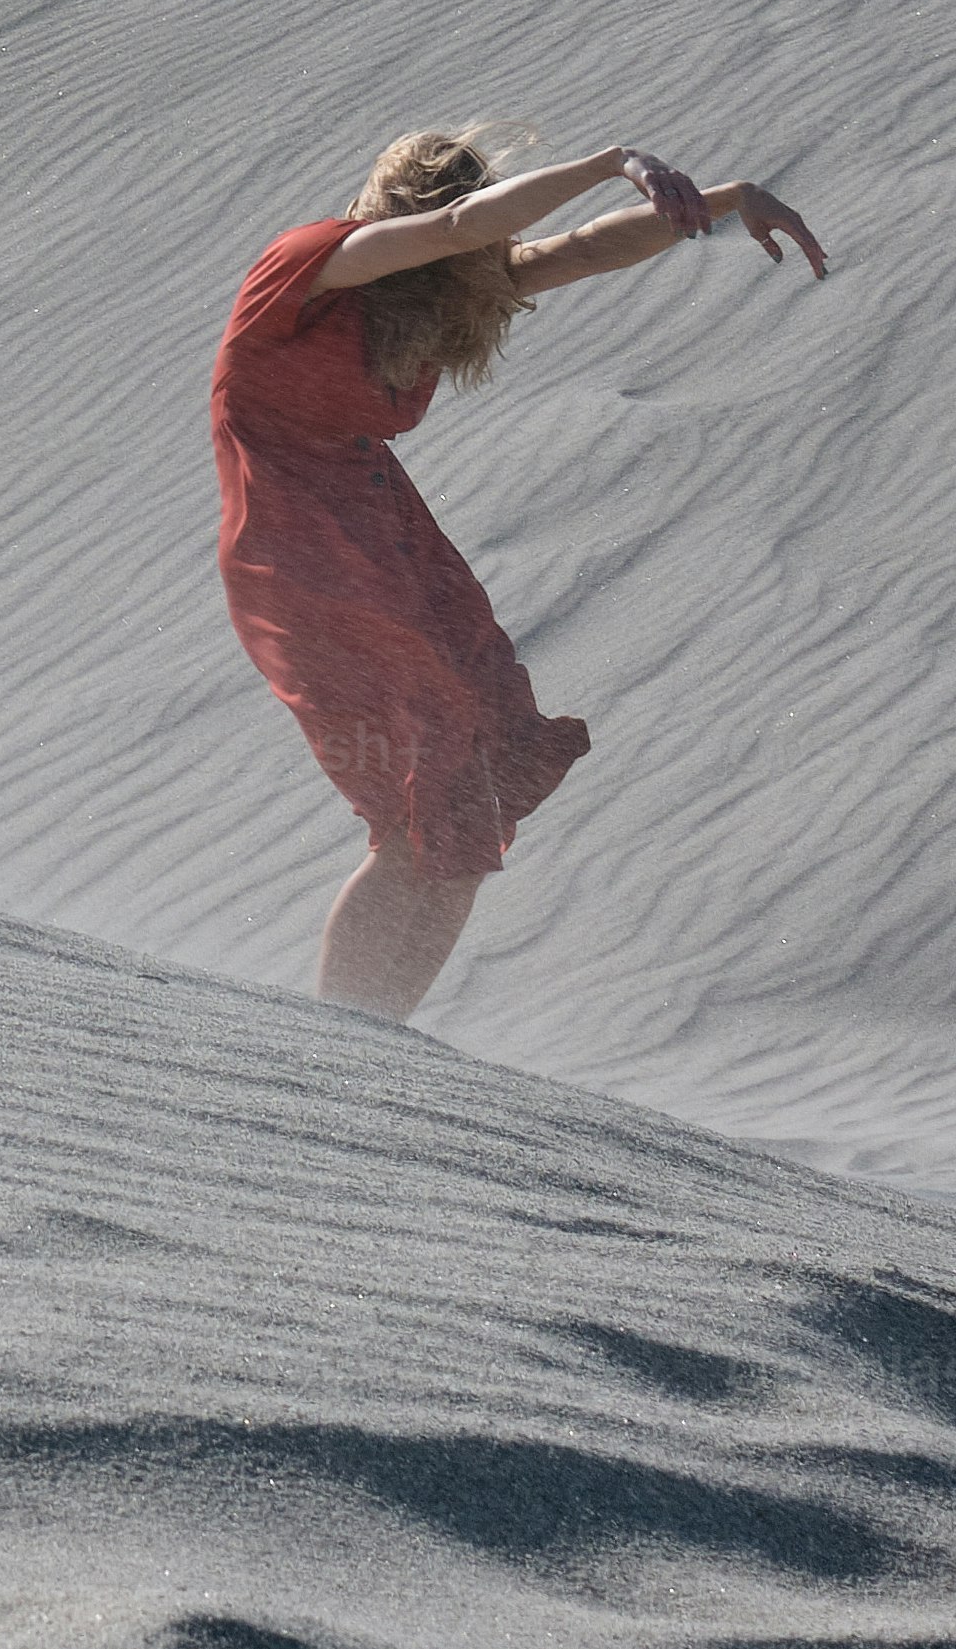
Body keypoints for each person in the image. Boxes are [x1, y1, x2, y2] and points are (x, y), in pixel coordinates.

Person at [209, 127, 831, 1021]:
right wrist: (619, 159)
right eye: (448, 197)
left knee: (465, 802)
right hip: (301, 555)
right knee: (408, 816)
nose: (475, 229)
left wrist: (721, 201)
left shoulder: (432, 300)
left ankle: (378, 1037)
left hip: (390, 542)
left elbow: (580, 249)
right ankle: (333, 1043)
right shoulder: (313, 265)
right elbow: (459, 227)